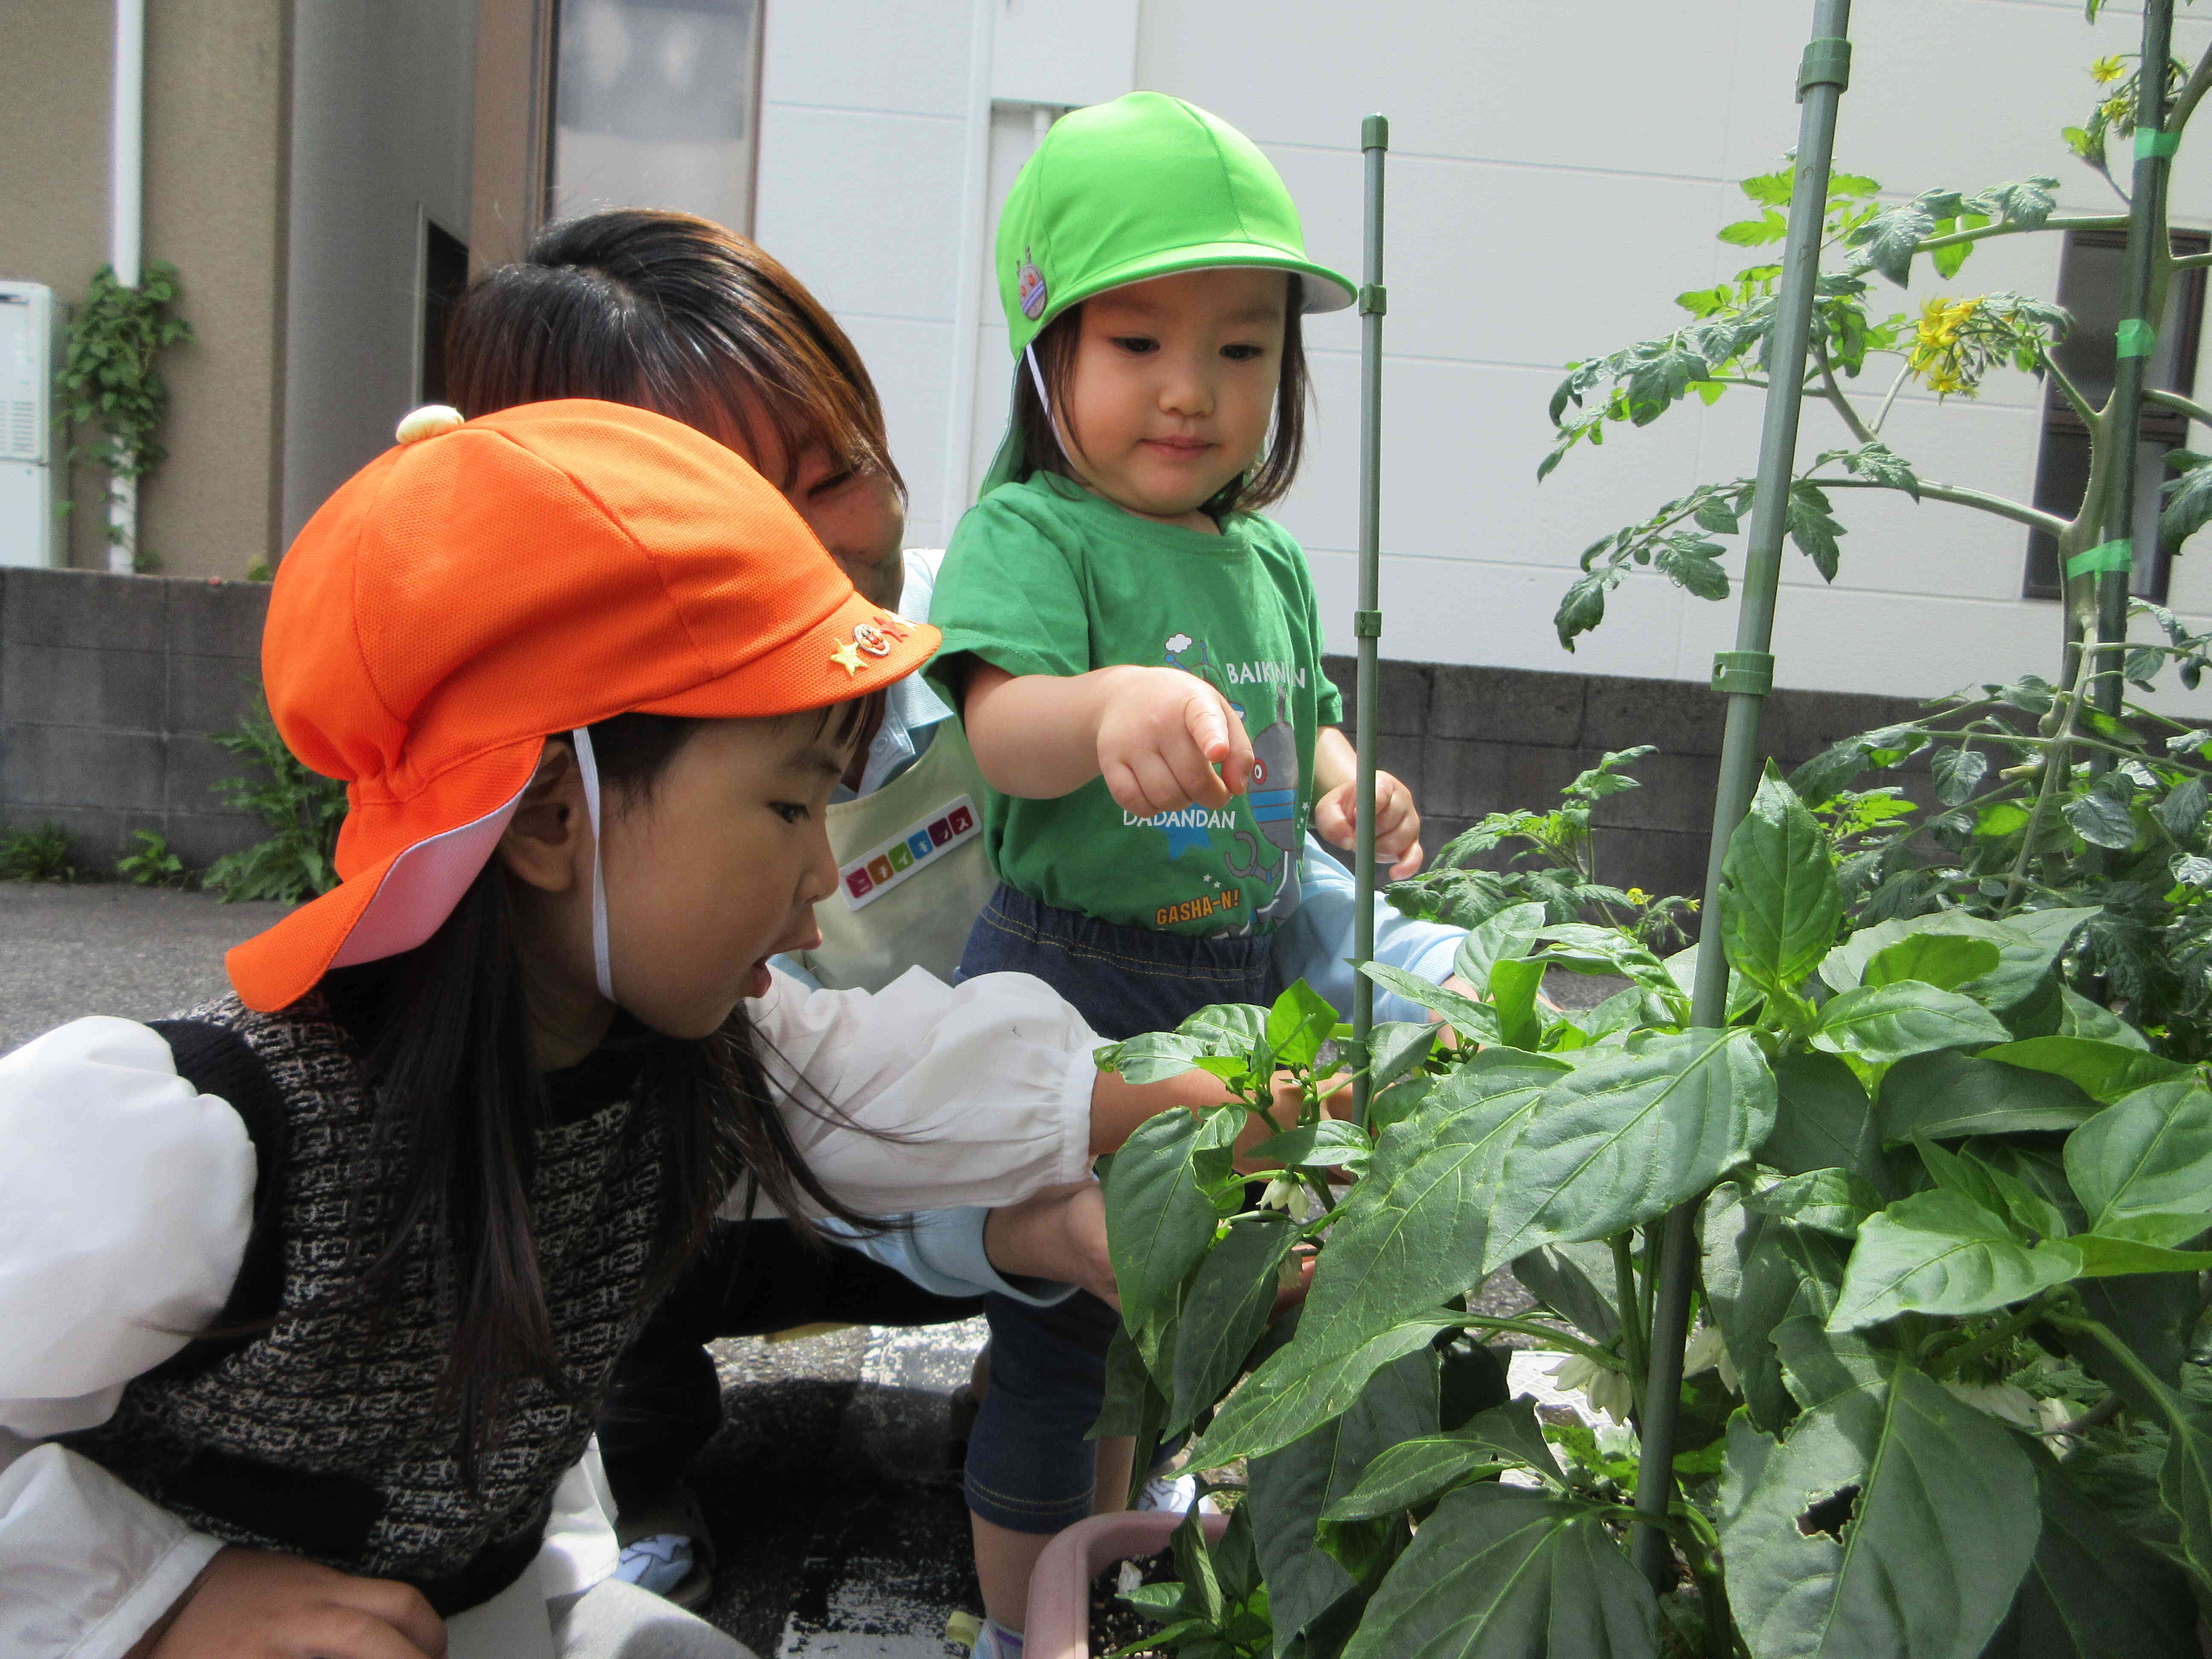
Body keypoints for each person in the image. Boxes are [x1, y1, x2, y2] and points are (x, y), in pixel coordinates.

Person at [0, 400, 1303, 1659]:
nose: (821, 881)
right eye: (793, 808)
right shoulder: (204, 1141)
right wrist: (156, 1603)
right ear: (549, 816)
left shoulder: (674, 1051)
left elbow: (918, 1075)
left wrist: (1226, 1100)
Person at [445, 208, 1475, 1639]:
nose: (816, 541)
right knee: (610, 1175)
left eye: (837, 469)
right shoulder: (543, 823)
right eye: (729, 502)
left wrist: (1431, 975)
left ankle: (1032, 1382)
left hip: (959, 1130)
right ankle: (642, 1448)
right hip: (756, 1195)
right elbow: (822, 1096)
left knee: (1075, 1300)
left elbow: (1245, 864)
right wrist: (1047, 1224)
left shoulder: (990, 629)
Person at [925, 94, 1438, 1653]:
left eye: (1242, 348)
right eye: (1138, 343)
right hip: (1075, 977)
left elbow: (1311, 725)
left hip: (1252, 972)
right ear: (1048, 351)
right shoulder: (1031, 534)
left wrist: (1352, 788)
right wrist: (1111, 707)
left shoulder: (1267, 557)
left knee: (1206, 1314)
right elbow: (1002, 731)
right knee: (1064, 1331)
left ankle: (1124, 1553)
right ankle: (1030, 1628)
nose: (1192, 393)